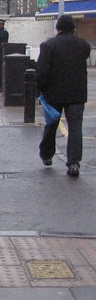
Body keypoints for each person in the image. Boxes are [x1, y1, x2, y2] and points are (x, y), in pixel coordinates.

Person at [35, 14, 91, 177]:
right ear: (73, 28)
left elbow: (42, 72)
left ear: (58, 28)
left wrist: (40, 90)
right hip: (77, 94)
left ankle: (47, 155)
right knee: (75, 128)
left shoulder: (48, 45)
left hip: (54, 94)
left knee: (51, 125)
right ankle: (74, 162)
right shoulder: (83, 45)